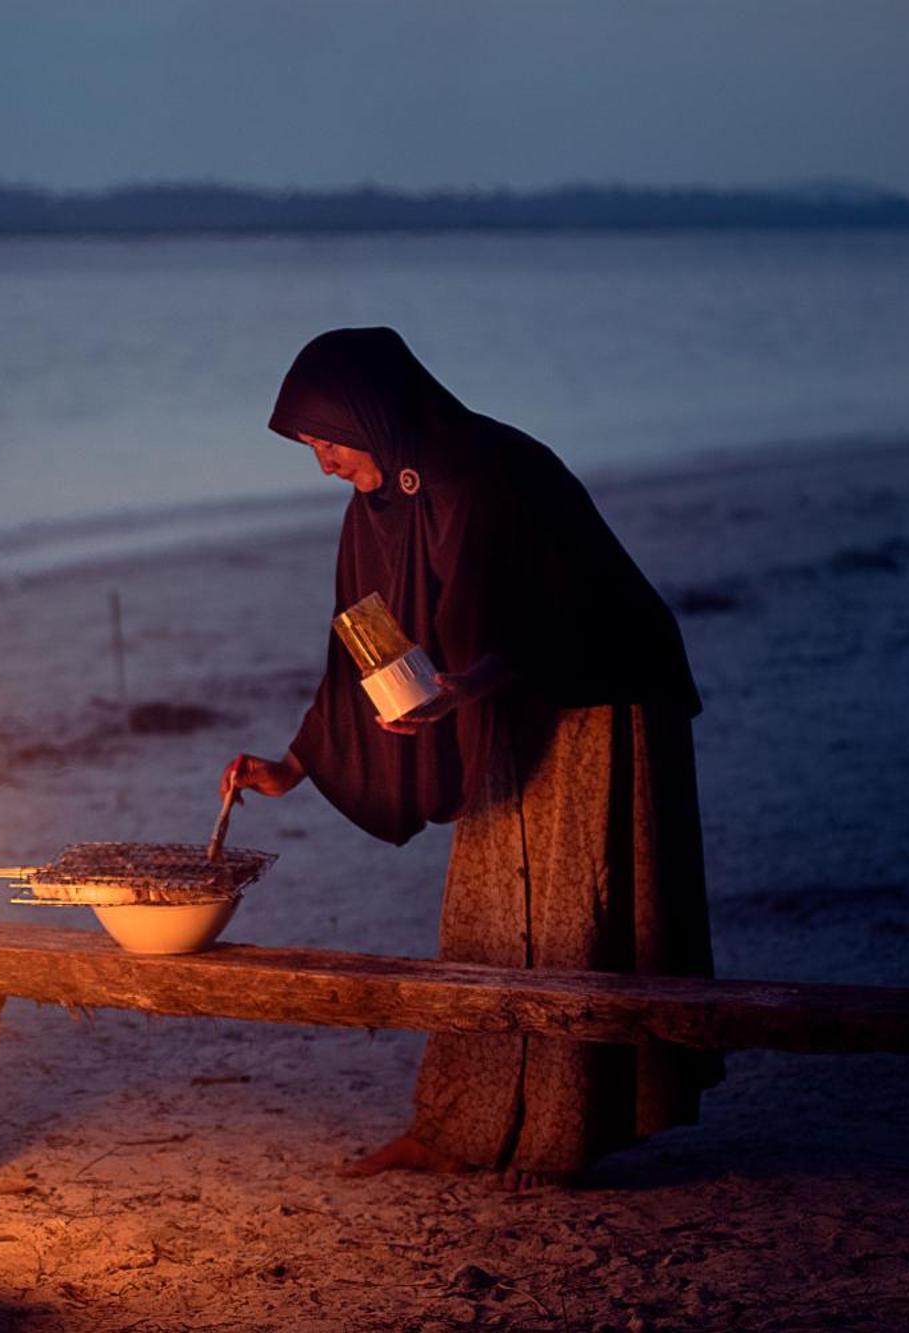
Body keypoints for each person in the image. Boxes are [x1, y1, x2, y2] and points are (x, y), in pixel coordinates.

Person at [222, 327, 720, 1190]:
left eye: (331, 441)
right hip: (493, 696)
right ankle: (458, 1124)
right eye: (312, 448)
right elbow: (364, 642)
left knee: (575, 920)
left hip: (598, 689)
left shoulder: (478, 472)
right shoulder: (377, 501)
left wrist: (468, 685)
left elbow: (549, 614)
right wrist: (294, 764)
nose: (326, 464)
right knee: (487, 918)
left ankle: (560, 1137)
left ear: (371, 416)